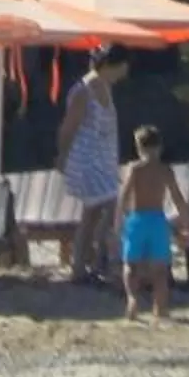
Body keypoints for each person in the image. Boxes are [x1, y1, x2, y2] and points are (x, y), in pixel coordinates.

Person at [55, 46, 128, 283]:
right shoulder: (84, 91)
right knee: (113, 204)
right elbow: (68, 127)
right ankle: (99, 261)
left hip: (103, 161)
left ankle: (82, 266)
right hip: (86, 162)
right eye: (122, 67)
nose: (124, 73)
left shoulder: (106, 87)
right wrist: (62, 156)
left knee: (92, 215)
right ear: (110, 65)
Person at [116, 124, 189, 320]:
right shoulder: (165, 170)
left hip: (137, 219)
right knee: (160, 270)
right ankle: (160, 307)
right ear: (160, 147)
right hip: (157, 220)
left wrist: (118, 220)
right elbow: (178, 198)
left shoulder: (135, 169)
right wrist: (186, 225)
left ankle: (132, 299)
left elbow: (123, 197)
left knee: (131, 265)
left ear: (138, 147)